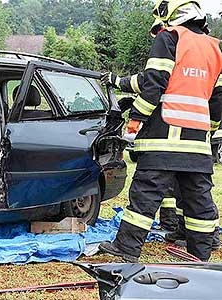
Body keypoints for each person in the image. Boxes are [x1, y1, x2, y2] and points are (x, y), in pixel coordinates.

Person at [99, 0, 222, 262]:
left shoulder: (170, 38)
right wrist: (206, 131)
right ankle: (201, 257)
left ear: (169, 13)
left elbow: (153, 83)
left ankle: (126, 248)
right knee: (198, 201)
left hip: (163, 139)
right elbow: (218, 99)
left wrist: (135, 120)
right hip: (198, 146)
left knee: (145, 196)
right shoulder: (214, 48)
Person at [102, 19, 179, 233]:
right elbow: (143, 80)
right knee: (177, 187)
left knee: (151, 188)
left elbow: (150, 85)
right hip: (186, 139)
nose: (157, 36)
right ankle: (175, 228)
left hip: (162, 133)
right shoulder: (192, 52)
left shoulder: (171, 46)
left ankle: (131, 244)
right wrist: (117, 80)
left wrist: (134, 122)